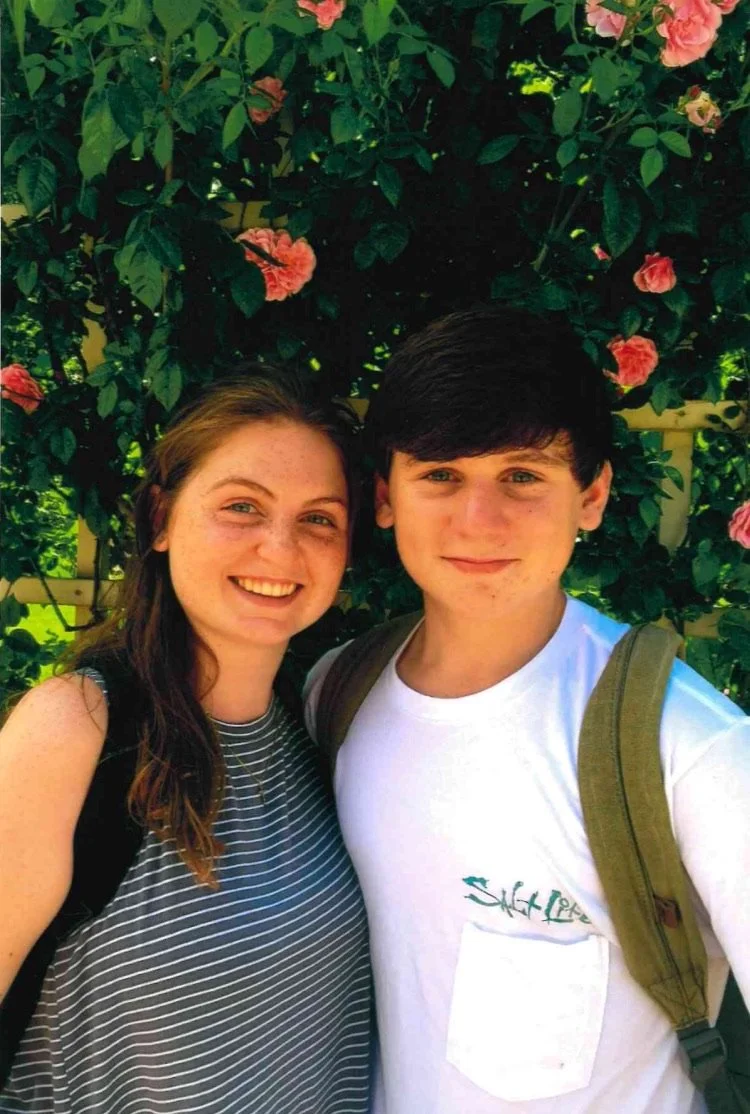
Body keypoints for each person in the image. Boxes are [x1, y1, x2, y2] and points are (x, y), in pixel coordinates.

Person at [303, 306, 750, 1114]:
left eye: (522, 476)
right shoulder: (337, 692)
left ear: (592, 496)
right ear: (385, 497)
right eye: (441, 475)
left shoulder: (682, 746)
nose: (480, 520)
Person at [0, 371, 372, 1113]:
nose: (280, 547)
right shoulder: (77, 728)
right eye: (242, 506)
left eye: (319, 519)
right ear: (162, 520)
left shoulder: (323, 728)